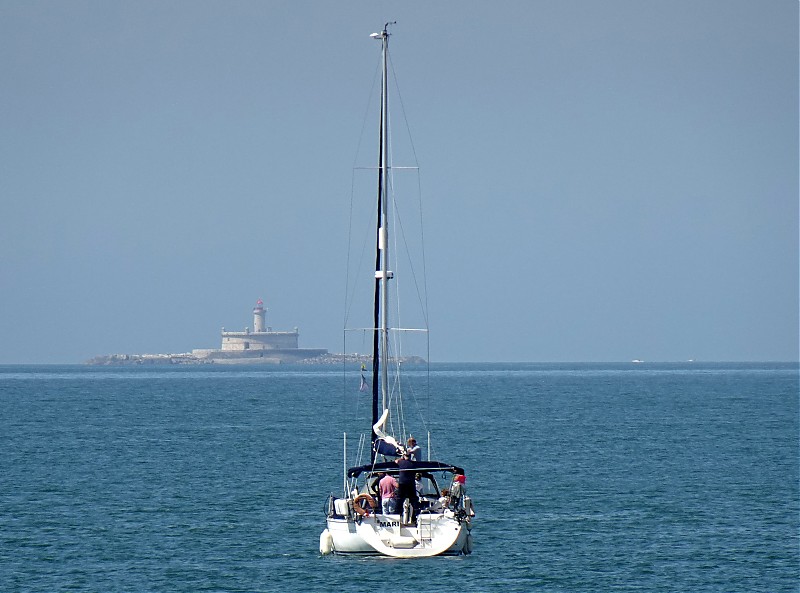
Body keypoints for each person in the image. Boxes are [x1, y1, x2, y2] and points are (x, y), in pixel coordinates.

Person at [395, 453, 419, 522]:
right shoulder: (413, 464)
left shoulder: (401, 463)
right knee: (413, 500)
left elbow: (396, 461)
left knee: (399, 500)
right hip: (411, 484)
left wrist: (401, 458)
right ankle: (416, 515)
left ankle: (397, 514)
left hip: (402, 484)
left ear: (404, 456)